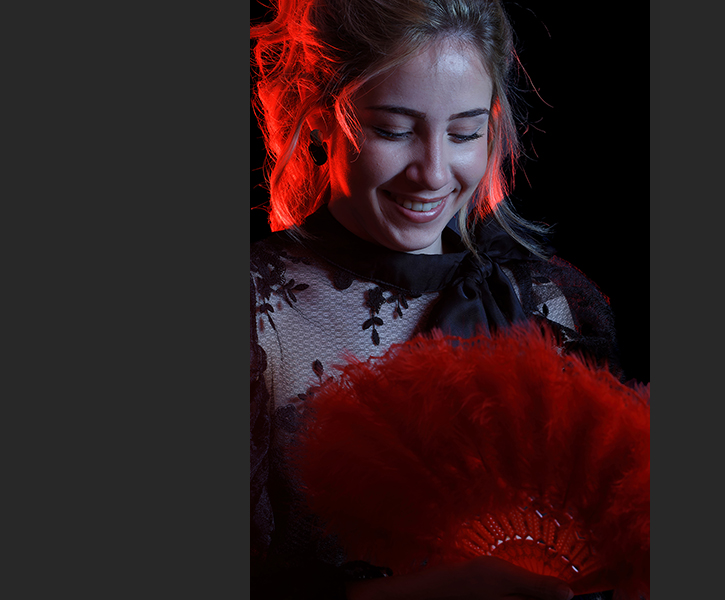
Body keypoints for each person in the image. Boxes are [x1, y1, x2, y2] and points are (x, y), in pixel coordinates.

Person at [250, 1, 630, 598]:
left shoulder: (548, 303)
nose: (432, 172)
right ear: (321, 117)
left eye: (463, 133)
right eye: (393, 130)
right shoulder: (258, 313)